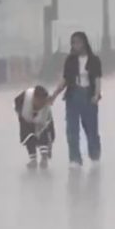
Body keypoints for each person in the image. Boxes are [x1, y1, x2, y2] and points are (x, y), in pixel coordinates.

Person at [51, 31, 102, 168]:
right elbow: (65, 79)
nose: (75, 45)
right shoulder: (70, 60)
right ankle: (75, 158)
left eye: (78, 42)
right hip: (73, 96)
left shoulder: (94, 60)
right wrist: (54, 94)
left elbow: (97, 79)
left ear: (84, 43)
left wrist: (96, 95)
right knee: (71, 129)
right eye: (73, 42)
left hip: (88, 96)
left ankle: (94, 153)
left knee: (91, 129)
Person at [14, 86, 55, 169]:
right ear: (34, 98)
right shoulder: (25, 97)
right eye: (39, 102)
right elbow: (16, 104)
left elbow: (51, 130)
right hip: (26, 117)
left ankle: (44, 158)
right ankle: (33, 159)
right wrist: (21, 114)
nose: (41, 105)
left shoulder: (46, 110)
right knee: (28, 136)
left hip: (41, 121)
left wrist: (50, 146)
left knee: (44, 134)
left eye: (43, 102)